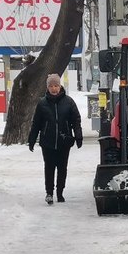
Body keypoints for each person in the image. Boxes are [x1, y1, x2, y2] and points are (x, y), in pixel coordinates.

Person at [28, 73, 83, 205]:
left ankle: (60, 192)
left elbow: (76, 120)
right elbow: (36, 123)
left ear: (60, 86)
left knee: (62, 168)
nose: (54, 88)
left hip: (64, 141)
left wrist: (78, 136)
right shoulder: (42, 103)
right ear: (47, 87)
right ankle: (49, 193)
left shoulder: (69, 102)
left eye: (56, 86)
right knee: (49, 168)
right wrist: (32, 140)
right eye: (51, 86)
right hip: (47, 142)